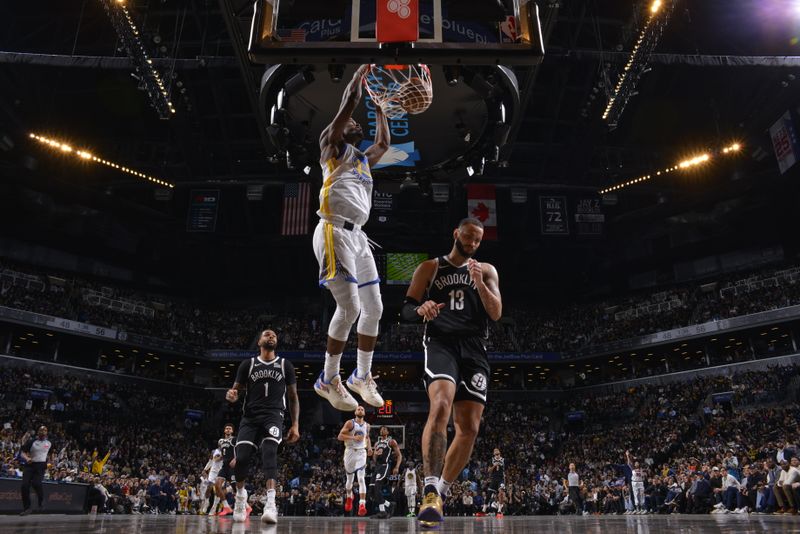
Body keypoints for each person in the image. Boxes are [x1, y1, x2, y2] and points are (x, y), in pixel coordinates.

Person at [401, 217, 502, 528]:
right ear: (456, 233)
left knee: (469, 427)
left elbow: (496, 313)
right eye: (468, 238)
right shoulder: (430, 268)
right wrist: (421, 309)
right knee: (441, 404)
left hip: (475, 348)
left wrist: (481, 283)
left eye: (477, 241)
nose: (472, 245)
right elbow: (405, 310)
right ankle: (429, 486)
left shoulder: (486, 270)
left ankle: (438, 495)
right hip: (441, 343)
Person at [312, 64, 390, 412]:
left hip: (359, 237)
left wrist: (380, 109)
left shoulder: (363, 160)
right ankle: (328, 379)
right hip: (333, 230)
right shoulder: (332, 147)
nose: (356, 124)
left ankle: (362, 376)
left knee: (375, 308)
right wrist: (359, 77)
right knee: (350, 308)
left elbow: (384, 143)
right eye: (352, 122)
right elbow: (347, 102)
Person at [225, 329, 300, 523]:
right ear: (259, 341)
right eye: (267, 335)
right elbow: (235, 390)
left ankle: (271, 504)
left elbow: (293, 397)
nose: (271, 336)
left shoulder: (285, 365)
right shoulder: (247, 365)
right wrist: (231, 395)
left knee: (269, 453)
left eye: (274, 335)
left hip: (274, 416)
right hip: (250, 418)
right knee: (241, 458)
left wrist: (295, 424)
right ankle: (241, 497)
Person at [337, 405, 372, 516]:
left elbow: (367, 437)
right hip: (350, 451)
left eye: (362, 409)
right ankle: (349, 497)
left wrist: (370, 447)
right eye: (358, 409)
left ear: (364, 413)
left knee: (361, 478)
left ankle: (362, 505)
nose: (360, 410)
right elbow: (340, 436)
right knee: (349, 481)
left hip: (361, 452)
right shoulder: (350, 423)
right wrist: (353, 438)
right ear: (355, 412)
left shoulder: (367, 426)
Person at [371, 426, 402, 519]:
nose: (382, 430)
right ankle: (388, 505)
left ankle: (383, 511)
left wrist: (396, 467)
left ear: (388, 432)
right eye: (381, 429)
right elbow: (374, 458)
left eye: (384, 429)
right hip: (378, 467)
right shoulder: (377, 443)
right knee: (372, 491)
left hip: (385, 466)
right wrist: (375, 455)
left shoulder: (391, 442)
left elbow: (399, 455)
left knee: (377, 487)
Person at [19, 425, 52, 515]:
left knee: (36, 483)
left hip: (40, 466)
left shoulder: (49, 443)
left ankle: (41, 502)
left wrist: (49, 462)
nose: (43, 432)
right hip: (30, 465)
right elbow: (22, 453)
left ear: (47, 432)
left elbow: (49, 454)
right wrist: (27, 458)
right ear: (38, 432)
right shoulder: (32, 441)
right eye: (41, 430)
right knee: (24, 486)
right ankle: (27, 508)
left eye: (45, 430)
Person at [213, 423, 236, 516]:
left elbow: (239, 450)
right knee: (217, 485)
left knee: (236, 489)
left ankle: (245, 507)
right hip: (224, 466)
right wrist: (219, 457)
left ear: (232, 431)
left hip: (232, 466)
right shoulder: (220, 441)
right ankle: (226, 507)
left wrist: (236, 459)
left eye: (230, 429)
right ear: (224, 430)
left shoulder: (234, 439)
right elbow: (223, 453)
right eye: (226, 428)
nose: (228, 430)